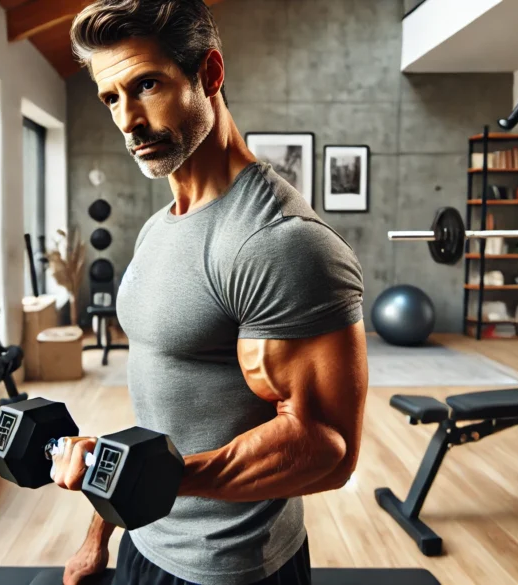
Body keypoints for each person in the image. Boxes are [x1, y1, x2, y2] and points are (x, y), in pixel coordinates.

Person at [53, 1, 368, 584]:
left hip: (228, 567)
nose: (127, 119)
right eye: (110, 98)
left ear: (210, 74)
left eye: (146, 85)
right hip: (144, 535)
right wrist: (100, 530)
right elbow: (162, 406)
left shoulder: (277, 243)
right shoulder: (160, 226)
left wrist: (142, 477)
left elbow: (327, 448)